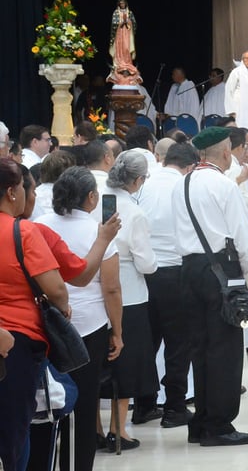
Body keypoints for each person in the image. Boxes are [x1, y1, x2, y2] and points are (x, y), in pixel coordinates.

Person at [171, 127, 248, 447]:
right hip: (223, 268)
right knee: (225, 349)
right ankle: (219, 424)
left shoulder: (182, 184)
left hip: (188, 270)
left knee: (200, 348)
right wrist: (243, 277)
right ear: (225, 153)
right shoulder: (223, 185)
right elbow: (243, 237)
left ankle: (201, 420)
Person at [36, 166, 122, 471]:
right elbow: (110, 287)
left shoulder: (39, 225)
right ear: (91, 197)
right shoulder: (100, 232)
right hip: (91, 326)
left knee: (45, 400)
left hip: (48, 325)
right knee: (85, 406)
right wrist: (118, 332)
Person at [0, 158, 70, 471]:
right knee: (15, 429)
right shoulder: (23, 231)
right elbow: (56, 289)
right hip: (17, 340)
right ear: (12, 192)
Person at [134, 143, 199, 428]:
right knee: (178, 344)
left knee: (147, 341)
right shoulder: (186, 186)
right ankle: (174, 407)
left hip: (145, 273)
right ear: (190, 166)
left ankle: (143, 405)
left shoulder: (144, 185)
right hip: (175, 272)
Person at [100, 150, 158, 449]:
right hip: (130, 296)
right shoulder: (134, 212)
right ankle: (118, 429)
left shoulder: (94, 199)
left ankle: (96, 429)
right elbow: (146, 263)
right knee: (126, 362)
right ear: (137, 180)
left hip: (95, 290)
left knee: (99, 359)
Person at [225, 50, 248, 135]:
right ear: (243, 60)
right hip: (238, 109)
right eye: (246, 58)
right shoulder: (236, 72)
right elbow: (228, 90)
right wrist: (231, 111)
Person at [108, 0, 137, 75]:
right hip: (119, 34)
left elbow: (134, 24)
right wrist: (120, 23)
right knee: (119, 47)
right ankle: (119, 64)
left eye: (123, 3)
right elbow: (114, 23)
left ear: (125, 3)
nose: (122, 4)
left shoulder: (129, 13)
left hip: (127, 33)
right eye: (120, 3)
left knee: (126, 48)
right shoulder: (116, 12)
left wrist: (127, 22)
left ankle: (127, 63)